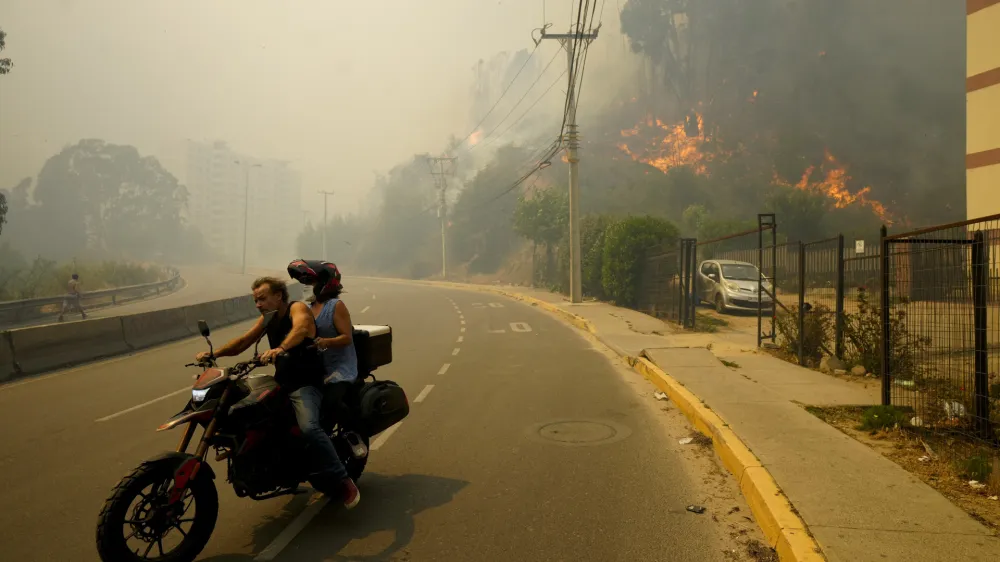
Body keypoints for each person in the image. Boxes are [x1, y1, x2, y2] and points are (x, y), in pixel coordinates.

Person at [193, 276, 360, 509]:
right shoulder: (268, 319)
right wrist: (215, 355)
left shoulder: (297, 308)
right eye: (255, 300)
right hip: (281, 382)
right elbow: (244, 341)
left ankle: (342, 479)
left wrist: (281, 348)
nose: (258, 304)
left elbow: (301, 328)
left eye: (262, 298)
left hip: (305, 384)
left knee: (310, 428)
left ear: (278, 296)